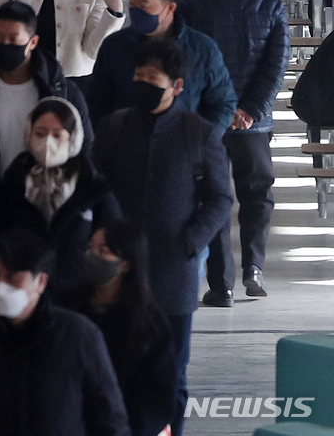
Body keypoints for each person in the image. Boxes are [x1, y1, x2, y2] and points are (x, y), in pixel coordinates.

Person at [93, 38, 232, 436]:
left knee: (172, 373)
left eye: (152, 78)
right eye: (138, 77)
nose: (142, 84)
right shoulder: (114, 127)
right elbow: (95, 185)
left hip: (173, 274)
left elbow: (220, 200)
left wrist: (190, 244)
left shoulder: (199, 133)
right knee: (114, 366)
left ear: (177, 86)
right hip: (116, 273)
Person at [0, 228, 131, 436]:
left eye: (13, 277)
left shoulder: (78, 336)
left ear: (40, 282)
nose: (0, 286)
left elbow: (109, 419)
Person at [177, 0, 290, 305]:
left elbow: (187, 65)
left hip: (207, 120)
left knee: (214, 197)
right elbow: (276, 67)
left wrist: (219, 111)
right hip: (254, 125)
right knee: (257, 193)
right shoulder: (271, 6)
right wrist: (251, 110)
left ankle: (220, 284)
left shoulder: (190, 4)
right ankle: (254, 269)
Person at [0, 1, 93, 228]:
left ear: (32, 42)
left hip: (43, 210)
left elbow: (85, 149)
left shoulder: (62, 92)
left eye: (14, 39)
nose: (5, 45)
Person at [0, 98, 118, 293]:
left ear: (73, 138)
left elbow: (115, 244)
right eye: (40, 133)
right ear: (29, 135)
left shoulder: (92, 187)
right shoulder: (13, 183)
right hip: (20, 298)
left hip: (75, 300)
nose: (48, 142)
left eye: (57, 135)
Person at [87, 0, 237, 131]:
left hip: (183, 148)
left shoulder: (202, 49)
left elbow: (222, 104)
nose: (136, 11)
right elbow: (96, 103)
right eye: (132, 3)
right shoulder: (114, 46)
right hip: (126, 147)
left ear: (170, 7)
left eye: (144, 5)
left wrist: (200, 141)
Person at [62, 221, 177, 436]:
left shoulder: (149, 325)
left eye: (102, 250)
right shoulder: (69, 306)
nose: (91, 255)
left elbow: (157, 395)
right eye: (90, 248)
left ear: (126, 264)